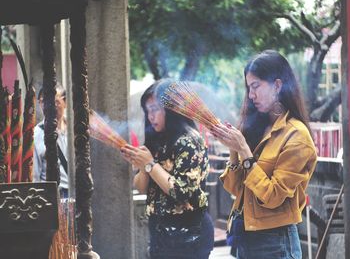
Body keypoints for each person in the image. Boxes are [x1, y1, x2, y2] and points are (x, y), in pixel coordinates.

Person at [211, 50, 317, 259]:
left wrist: (244, 151)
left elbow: (273, 197)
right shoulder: (257, 129)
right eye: (249, 88)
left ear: (277, 85)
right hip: (246, 237)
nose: (251, 95)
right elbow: (235, 188)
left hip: (275, 241)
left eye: (256, 86)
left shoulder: (296, 136)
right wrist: (234, 149)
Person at [121, 79, 214, 258]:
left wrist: (150, 164)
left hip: (188, 234)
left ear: (172, 109)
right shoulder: (158, 140)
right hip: (162, 232)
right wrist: (143, 165)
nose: (150, 116)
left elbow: (182, 192)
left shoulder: (189, 141)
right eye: (147, 111)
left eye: (155, 109)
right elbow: (142, 187)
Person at [33, 85, 69, 198]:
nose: (50, 106)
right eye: (44, 101)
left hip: (74, 193)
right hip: (49, 196)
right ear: (39, 104)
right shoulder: (36, 134)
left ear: (65, 102)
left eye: (55, 102)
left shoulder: (74, 131)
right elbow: (34, 174)